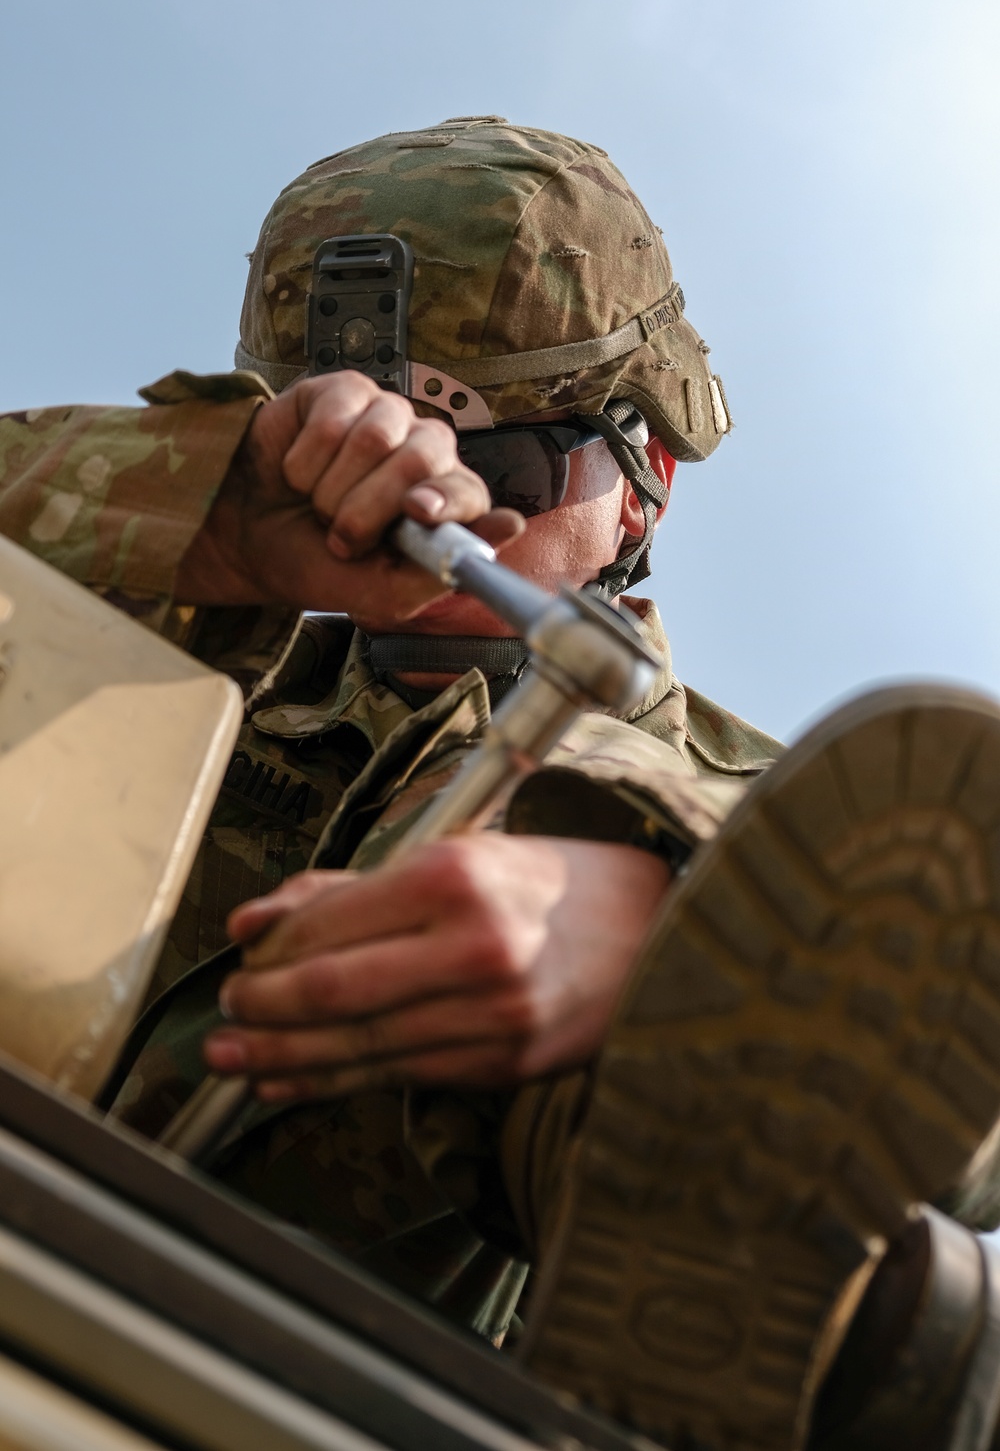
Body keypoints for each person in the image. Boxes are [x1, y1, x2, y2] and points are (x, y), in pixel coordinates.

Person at [3, 117, 1000, 1450]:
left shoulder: (803, 813)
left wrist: (671, 922)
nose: (440, 503)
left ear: (638, 489)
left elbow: (961, 1095)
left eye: (504, 460)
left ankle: (661, 1149)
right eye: (370, 437)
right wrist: (215, 509)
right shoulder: (162, 624)